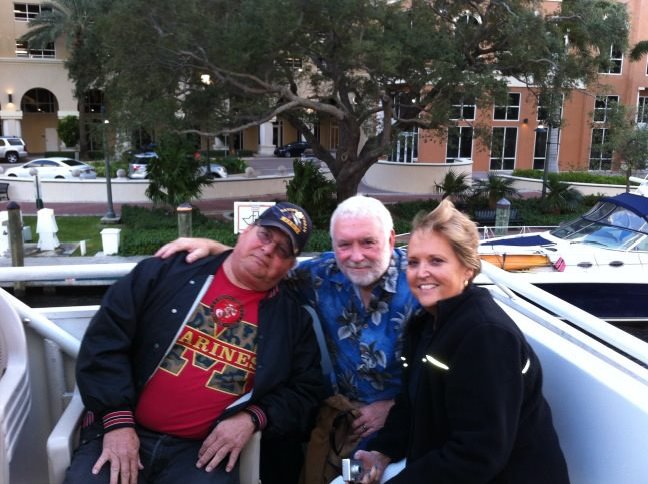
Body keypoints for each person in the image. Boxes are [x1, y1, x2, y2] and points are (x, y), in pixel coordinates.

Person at [156, 195, 422, 480]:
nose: (356, 256)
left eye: (368, 242)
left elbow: (450, 374)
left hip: (411, 425)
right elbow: (265, 265)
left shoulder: (423, 285)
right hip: (343, 420)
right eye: (345, 245)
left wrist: (394, 408)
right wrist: (217, 249)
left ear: (390, 240)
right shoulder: (324, 275)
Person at [67, 202, 326, 484]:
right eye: (265, 235)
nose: (268, 250)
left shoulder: (292, 321)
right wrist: (117, 420)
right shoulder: (168, 272)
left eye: (283, 250)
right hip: (125, 426)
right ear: (246, 231)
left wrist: (253, 417)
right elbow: (104, 341)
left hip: (202, 454)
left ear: (290, 266)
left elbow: (306, 390)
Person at [353, 199, 570, 483]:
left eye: (436, 261)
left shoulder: (486, 336)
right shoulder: (425, 323)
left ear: (467, 268)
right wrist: (381, 452)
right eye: (414, 262)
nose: (421, 272)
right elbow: (411, 405)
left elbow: (478, 455)